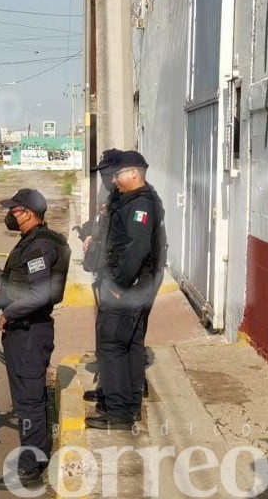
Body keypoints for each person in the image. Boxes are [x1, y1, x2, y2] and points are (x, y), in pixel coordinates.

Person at [0, 189, 70, 490]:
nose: (10, 214)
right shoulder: (35, 242)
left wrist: (8, 313)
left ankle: (28, 469)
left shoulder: (39, 248)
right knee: (28, 399)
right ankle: (37, 456)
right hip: (27, 332)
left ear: (27, 212)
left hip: (28, 333)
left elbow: (40, 293)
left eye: (14, 209)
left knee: (28, 402)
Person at [86, 150, 167, 430]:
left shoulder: (140, 205)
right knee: (130, 344)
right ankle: (126, 401)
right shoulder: (132, 200)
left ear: (133, 173)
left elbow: (137, 248)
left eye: (117, 175)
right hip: (133, 285)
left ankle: (119, 411)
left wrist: (120, 284)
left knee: (112, 344)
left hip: (129, 287)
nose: (114, 181)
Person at [79, 148, 122, 405]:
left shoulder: (130, 199)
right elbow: (97, 222)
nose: (104, 177)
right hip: (104, 274)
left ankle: (124, 391)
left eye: (107, 172)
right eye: (102, 172)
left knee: (119, 337)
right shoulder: (108, 193)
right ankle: (108, 386)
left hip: (118, 279)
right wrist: (88, 234)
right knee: (106, 333)